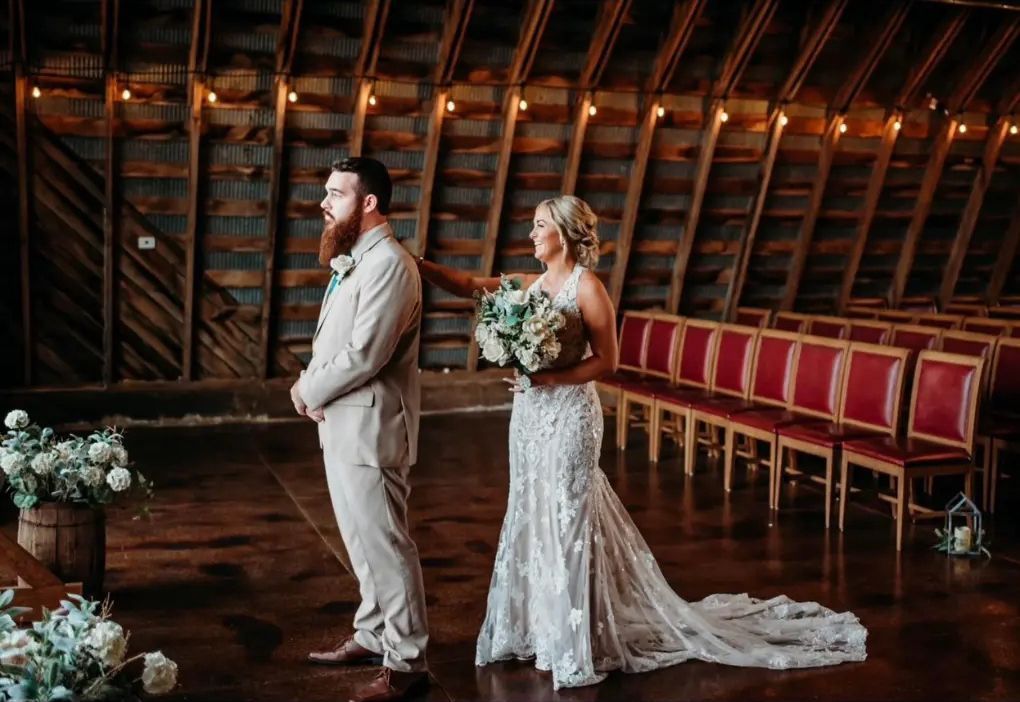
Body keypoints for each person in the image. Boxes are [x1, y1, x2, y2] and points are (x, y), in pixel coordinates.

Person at [417, 195, 866, 691]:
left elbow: (608, 361)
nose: (530, 234)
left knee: (568, 516)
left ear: (561, 236)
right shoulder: (527, 285)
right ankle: (535, 629)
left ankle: (572, 642)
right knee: (530, 508)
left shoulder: (587, 289)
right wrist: (413, 263)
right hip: (527, 417)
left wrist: (550, 379)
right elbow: (467, 285)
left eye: (538, 225)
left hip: (569, 415)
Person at [292, 157, 429, 702]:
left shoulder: (390, 265)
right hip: (343, 426)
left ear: (368, 202)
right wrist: (312, 385)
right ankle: (374, 633)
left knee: (387, 545)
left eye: (335, 194)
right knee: (360, 542)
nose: (324, 204)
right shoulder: (356, 260)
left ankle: (409, 661)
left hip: (372, 429)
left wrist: (307, 389)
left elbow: (364, 354)